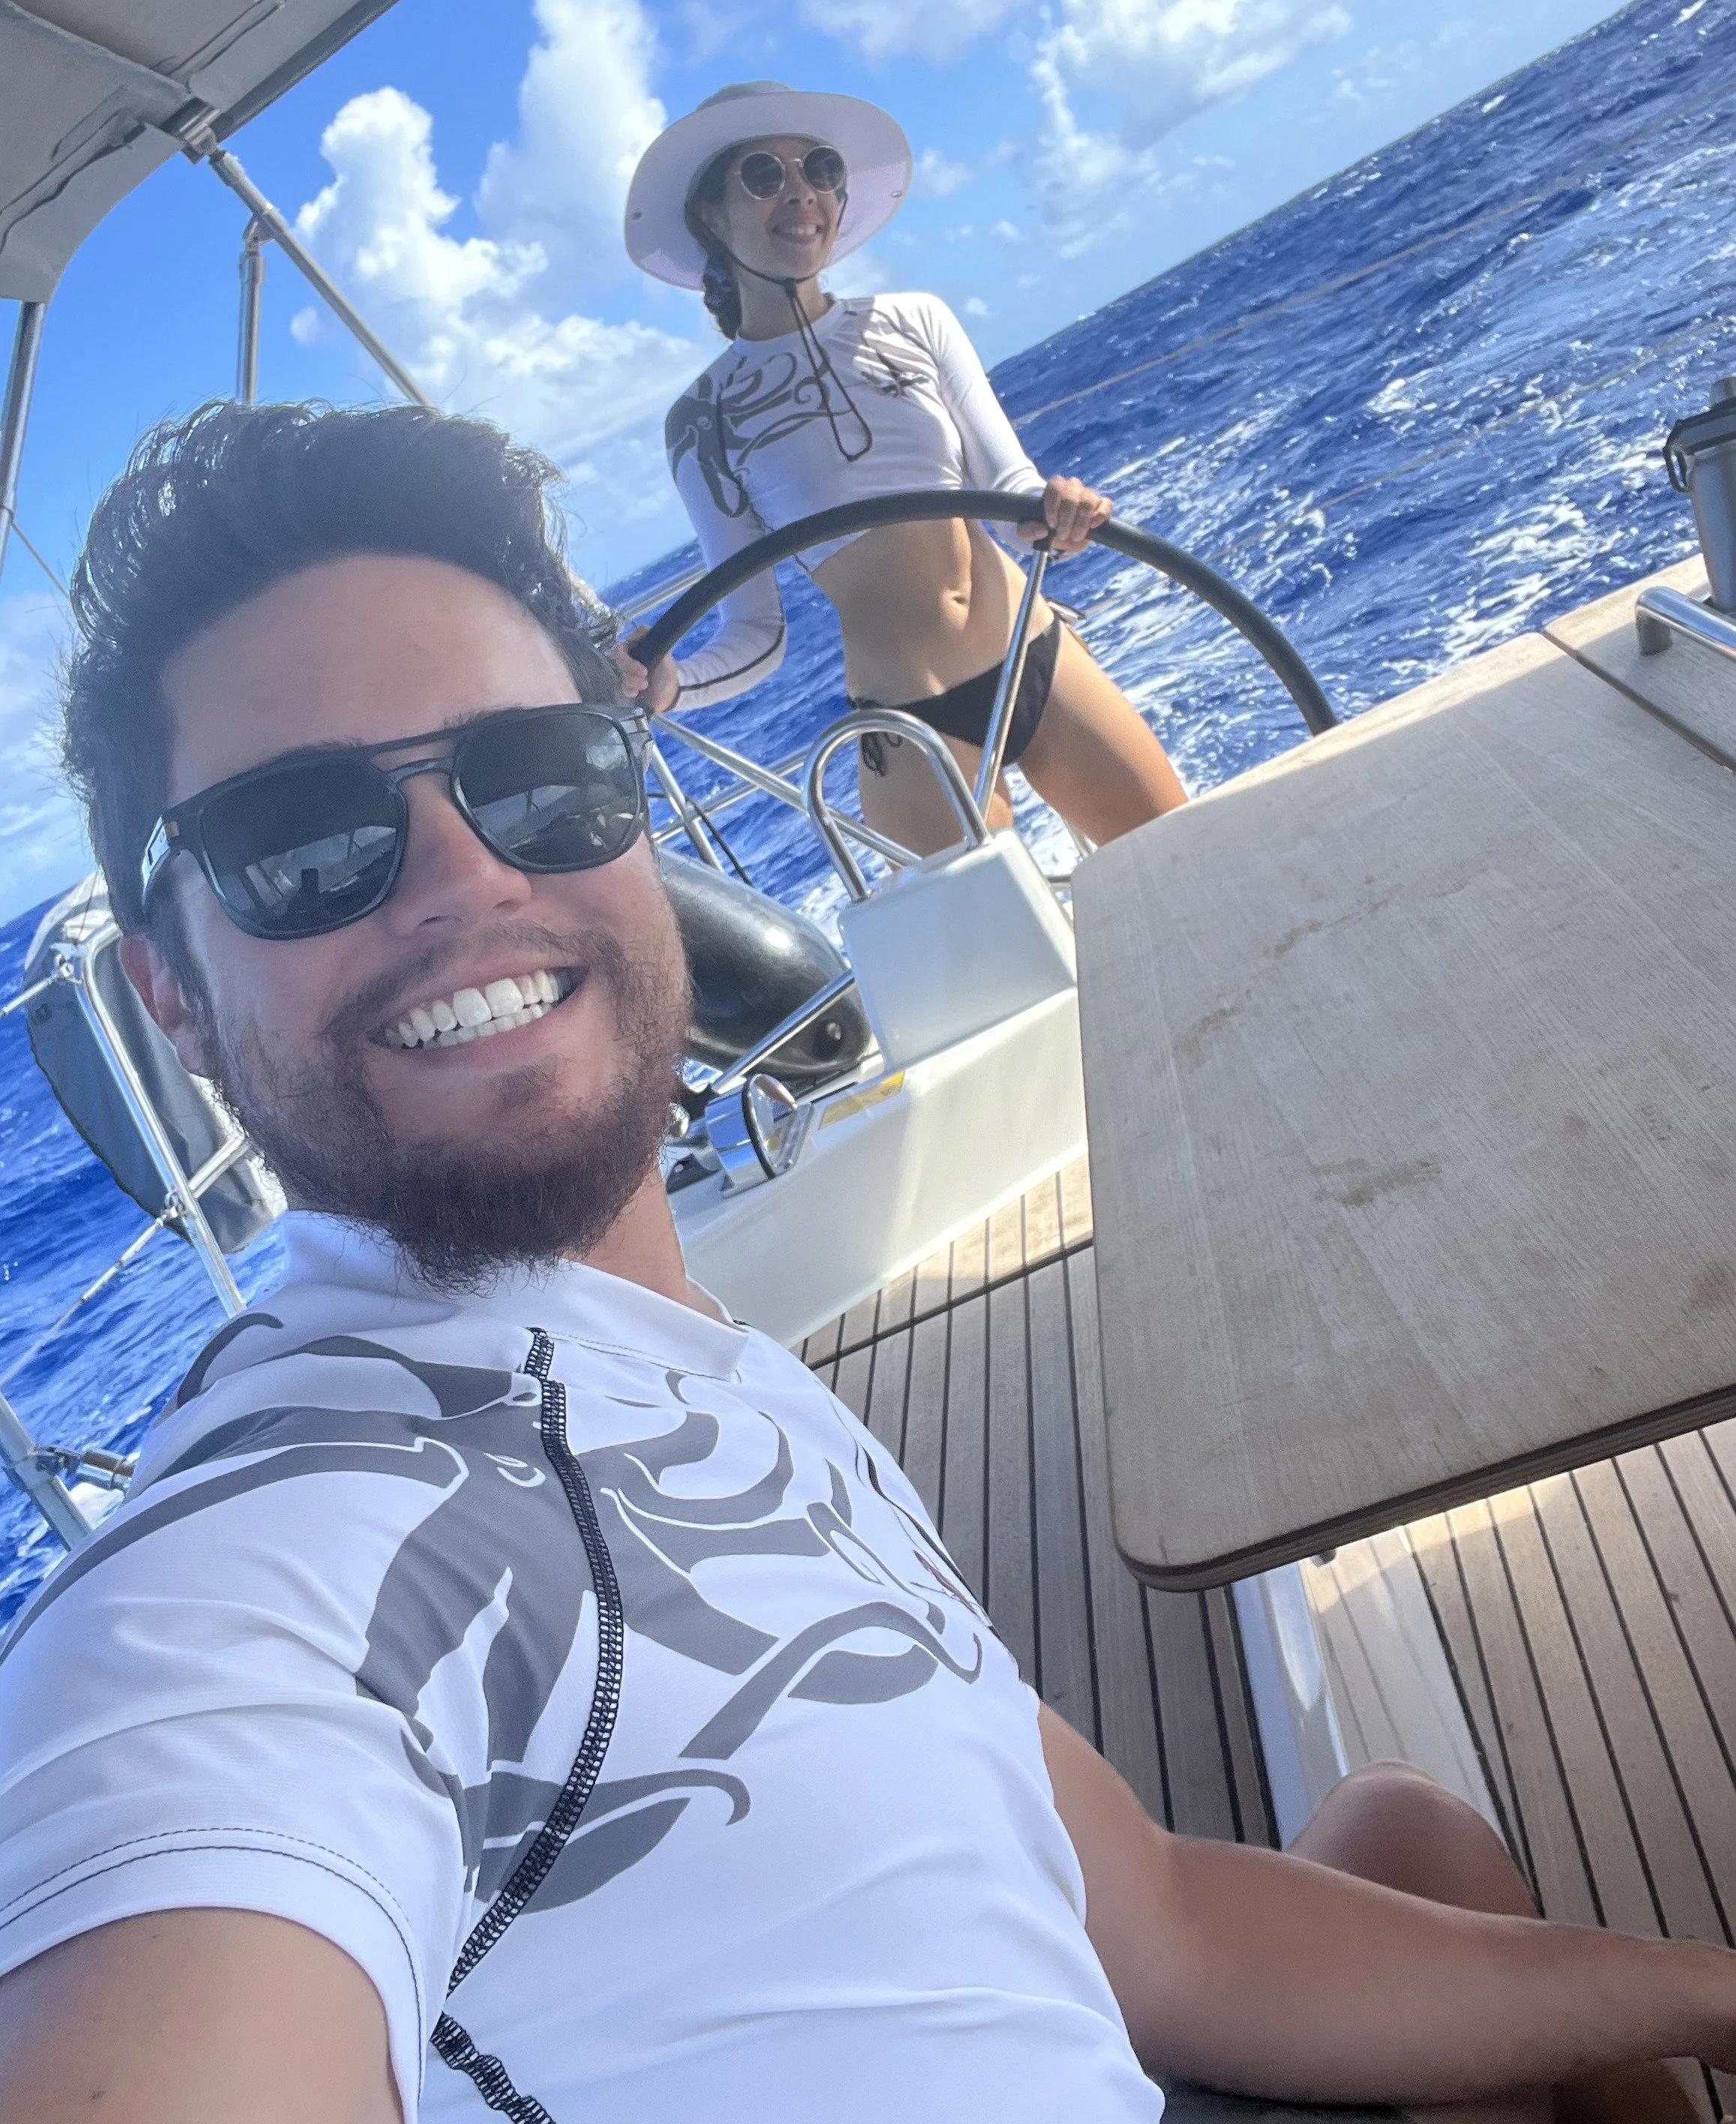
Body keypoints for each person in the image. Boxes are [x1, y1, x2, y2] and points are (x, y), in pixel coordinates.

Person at [0, 399, 1729, 2124]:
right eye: (298, 845)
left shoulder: (702, 1368)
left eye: (534, 774)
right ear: (172, 998)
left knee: (1410, 1833)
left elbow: (1169, 1935)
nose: (462, 875)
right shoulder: (245, 1596)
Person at [621, 82, 1188, 857]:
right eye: (763, 174)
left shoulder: (917, 319)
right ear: (711, 217)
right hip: (911, 728)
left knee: (1188, 860)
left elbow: (1010, 496)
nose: (802, 192)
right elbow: (756, 633)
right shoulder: (702, 422)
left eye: (820, 169)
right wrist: (674, 681)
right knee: (1009, 974)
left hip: (1036, 649)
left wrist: (1054, 507)